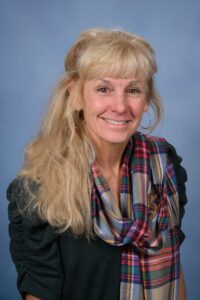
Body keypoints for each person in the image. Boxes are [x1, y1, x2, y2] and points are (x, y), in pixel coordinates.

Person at [7, 28, 187, 300]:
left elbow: (175, 268)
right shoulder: (37, 190)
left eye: (134, 90)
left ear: (147, 99)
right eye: (104, 89)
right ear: (76, 96)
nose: (120, 105)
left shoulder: (164, 165)